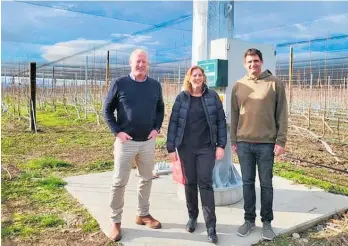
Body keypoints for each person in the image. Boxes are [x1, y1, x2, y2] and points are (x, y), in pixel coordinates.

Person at [103, 49, 165, 242]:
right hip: (126, 142)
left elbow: (160, 108)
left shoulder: (155, 85)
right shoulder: (120, 83)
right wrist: (117, 131)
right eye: (138, 61)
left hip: (147, 142)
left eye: (144, 62)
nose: (141, 65)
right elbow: (107, 109)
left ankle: (143, 214)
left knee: (146, 179)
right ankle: (115, 221)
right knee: (119, 181)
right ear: (131, 63)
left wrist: (156, 128)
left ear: (148, 65)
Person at [230, 48, 288, 240]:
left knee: (266, 184)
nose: (253, 65)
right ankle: (248, 220)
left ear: (261, 62)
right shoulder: (238, 86)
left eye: (256, 61)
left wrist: (280, 141)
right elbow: (235, 115)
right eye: (249, 62)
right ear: (244, 64)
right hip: (244, 143)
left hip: (266, 144)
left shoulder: (274, 84)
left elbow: (282, 114)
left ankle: (267, 223)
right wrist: (233, 140)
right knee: (247, 183)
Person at [166, 65, 227, 244]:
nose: (197, 78)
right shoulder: (181, 98)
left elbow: (221, 121)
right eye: (194, 75)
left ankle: (211, 226)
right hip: (186, 148)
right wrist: (171, 148)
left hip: (206, 148)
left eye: (200, 75)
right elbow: (173, 123)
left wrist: (221, 145)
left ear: (204, 78)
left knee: (206, 184)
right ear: (189, 78)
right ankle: (192, 217)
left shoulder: (212, 96)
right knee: (190, 183)